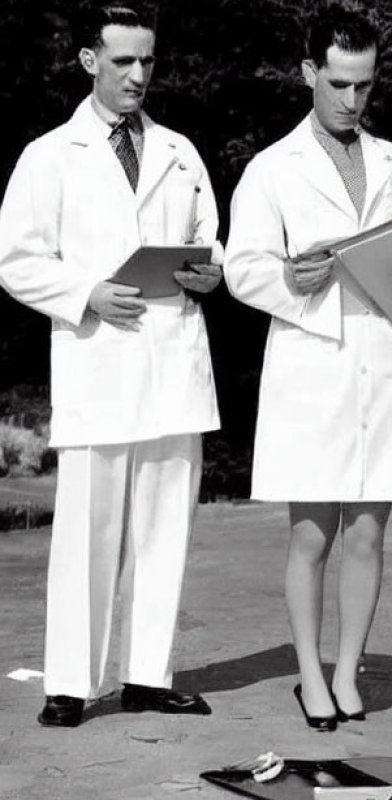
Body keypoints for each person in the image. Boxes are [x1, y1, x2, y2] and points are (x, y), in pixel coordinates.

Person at [0, 5, 223, 728]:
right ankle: (69, 683)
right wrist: (84, 292)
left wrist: (207, 273)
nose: (138, 75)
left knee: (166, 529)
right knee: (88, 531)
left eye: (148, 61)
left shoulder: (180, 151)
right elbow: (16, 260)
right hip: (99, 357)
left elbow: (209, 244)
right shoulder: (49, 154)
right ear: (89, 60)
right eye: (123, 60)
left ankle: (149, 676)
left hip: (172, 360)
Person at [224, 6, 392, 732]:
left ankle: (347, 671)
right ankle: (308, 673)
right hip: (312, 367)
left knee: (369, 534)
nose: (352, 100)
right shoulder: (271, 168)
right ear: (310, 73)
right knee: (311, 535)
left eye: (365, 85)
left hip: (380, 358)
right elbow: (242, 267)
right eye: (338, 83)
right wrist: (292, 278)